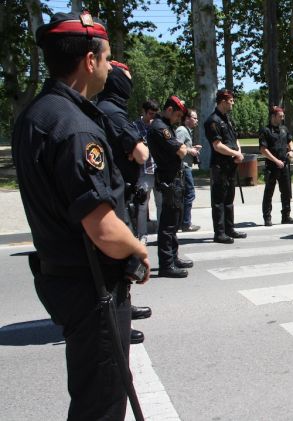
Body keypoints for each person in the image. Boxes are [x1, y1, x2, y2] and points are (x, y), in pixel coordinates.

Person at [12, 12, 150, 419]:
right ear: (89, 61)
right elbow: (104, 229)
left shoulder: (38, 114)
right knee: (102, 403)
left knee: (92, 395)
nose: (109, 67)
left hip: (65, 278)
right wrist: (139, 248)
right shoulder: (76, 128)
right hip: (93, 286)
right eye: (107, 58)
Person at [97, 60, 152, 345]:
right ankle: (118, 320)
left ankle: (124, 309)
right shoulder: (112, 113)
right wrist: (134, 150)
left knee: (122, 263)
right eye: (127, 79)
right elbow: (141, 153)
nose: (130, 84)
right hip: (116, 195)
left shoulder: (108, 109)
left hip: (121, 192)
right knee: (120, 261)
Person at [148, 95, 193, 278]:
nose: (178, 119)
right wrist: (182, 149)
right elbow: (182, 150)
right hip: (169, 179)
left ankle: (173, 257)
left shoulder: (166, 126)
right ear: (169, 110)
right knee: (168, 224)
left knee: (174, 222)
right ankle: (167, 263)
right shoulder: (160, 128)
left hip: (173, 179)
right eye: (176, 115)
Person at [205, 89, 247, 243]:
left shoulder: (228, 119)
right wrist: (234, 154)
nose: (233, 103)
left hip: (231, 164)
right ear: (223, 101)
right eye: (231, 100)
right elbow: (217, 145)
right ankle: (220, 233)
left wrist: (238, 152)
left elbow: (235, 139)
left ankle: (230, 229)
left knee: (229, 199)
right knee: (219, 201)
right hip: (220, 166)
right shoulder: (212, 121)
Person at [260, 106, 293, 226]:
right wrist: (276, 161)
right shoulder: (265, 130)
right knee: (269, 192)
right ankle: (267, 217)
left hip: (284, 164)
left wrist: (291, 150)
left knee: (286, 191)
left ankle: (286, 216)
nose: (282, 118)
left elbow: (290, 140)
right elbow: (263, 150)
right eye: (280, 116)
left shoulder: (284, 129)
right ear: (273, 116)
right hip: (272, 165)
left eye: (283, 116)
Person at [133, 99, 159, 243]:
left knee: (161, 203)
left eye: (155, 114)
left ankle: (163, 234)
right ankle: (142, 235)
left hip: (158, 170)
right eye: (150, 113)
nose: (152, 117)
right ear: (143, 111)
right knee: (142, 205)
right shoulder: (135, 126)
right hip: (144, 170)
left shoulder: (157, 125)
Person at [175, 108, 201, 232]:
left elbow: (183, 146)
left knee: (186, 195)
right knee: (189, 194)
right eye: (194, 118)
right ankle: (185, 223)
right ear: (187, 119)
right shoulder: (181, 130)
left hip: (186, 166)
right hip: (183, 167)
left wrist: (192, 148)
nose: (197, 120)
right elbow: (176, 146)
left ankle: (183, 222)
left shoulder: (186, 131)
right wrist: (191, 150)